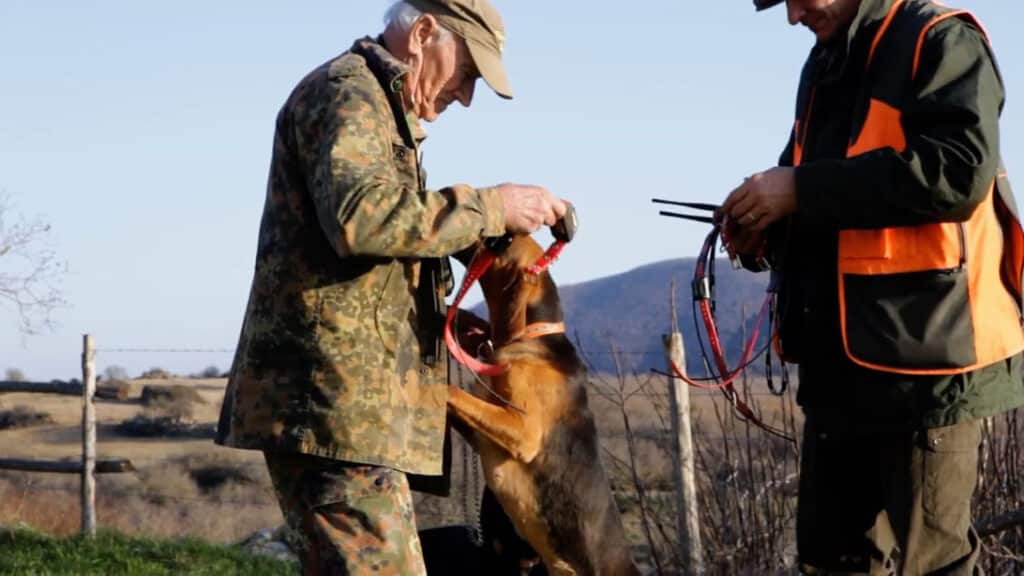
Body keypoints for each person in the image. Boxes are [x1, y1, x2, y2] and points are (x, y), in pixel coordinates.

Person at [215, 1, 567, 573]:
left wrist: (447, 315)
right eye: (468, 71)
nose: (466, 94)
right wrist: (491, 206)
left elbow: (379, 242)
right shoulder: (348, 95)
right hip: (333, 413)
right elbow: (361, 218)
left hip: (348, 414)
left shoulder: (380, 107)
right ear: (425, 33)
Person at [723, 0, 1024, 573]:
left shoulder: (939, 40)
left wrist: (798, 190)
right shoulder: (827, 60)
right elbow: (823, 196)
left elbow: (959, 173)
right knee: (831, 561)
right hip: (841, 365)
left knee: (933, 564)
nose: (791, 16)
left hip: (932, 364)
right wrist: (766, 226)